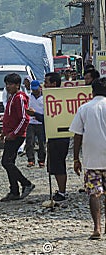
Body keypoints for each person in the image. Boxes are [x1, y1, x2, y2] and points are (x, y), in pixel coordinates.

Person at [69, 77, 106, 240]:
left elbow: (77, 135)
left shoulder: (84, 108)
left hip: (92, 160)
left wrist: (76, 158)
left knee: (94, 193)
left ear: (92, 91)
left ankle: (97, 228)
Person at [0, 73, 35, 202]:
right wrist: (4, 132)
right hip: (11, 135)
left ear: (17, 85)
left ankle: (26, 183)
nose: (8, 86)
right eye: (6, 84)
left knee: (6, 162)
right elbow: (9, 117)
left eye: (10, 84)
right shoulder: (12, 97)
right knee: (9, 162)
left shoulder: (19, 98)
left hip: (17, 136)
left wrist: (14, 133)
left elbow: (24, 118)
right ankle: (14, 191)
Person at [44, 72, 70, 201]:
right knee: (54, 164)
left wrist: (35, 115)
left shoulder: (59, 98)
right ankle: (60, 190)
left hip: (60, 136)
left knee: (59, 164)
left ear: (54, 83)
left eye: (47, 82)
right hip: (53, 135)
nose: (45, 85)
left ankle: (62, 192)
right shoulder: (49, 97)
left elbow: (49, 118)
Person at [25, 80, 46, 168]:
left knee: (42, 142)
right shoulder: (28, 97)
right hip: (31, 122)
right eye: (33, 90)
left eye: (36, 89)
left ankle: (41, 160)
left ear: (40, 88)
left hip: (41, 123)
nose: (35, 91)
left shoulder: (44, 98)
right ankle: (30, 159)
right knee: (30, 141)